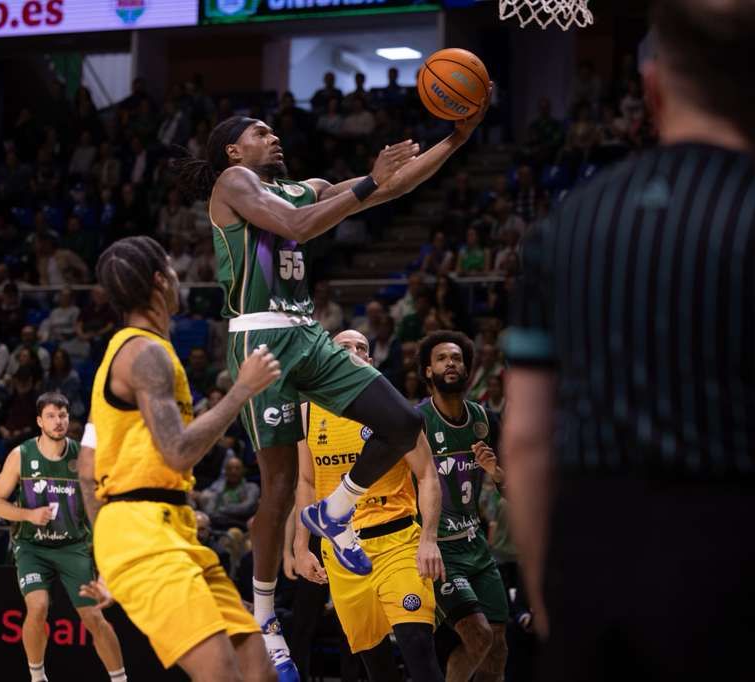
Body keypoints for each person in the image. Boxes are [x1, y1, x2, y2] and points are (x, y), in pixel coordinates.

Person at [175, 92, 490, 674]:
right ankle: (265, 616)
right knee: (278, 484)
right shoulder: (233, 184)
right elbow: (299, 224)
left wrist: (456, 140)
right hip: (261, 337)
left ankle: (335, 509)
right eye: (261, 131)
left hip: (309, 334)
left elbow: (392, 185)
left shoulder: (303, 186)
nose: (274, 138)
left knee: (400, 422)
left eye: (274, 132)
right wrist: (367, 183)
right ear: (232, 149)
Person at [502, 2, 755, 680]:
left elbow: (527, 439)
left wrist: (548, 600)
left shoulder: (567, 226)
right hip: (746, 563)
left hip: (596, 566)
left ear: (650, 89)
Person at [83, 236, 281, 681]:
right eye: (172, 271)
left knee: (257, 669)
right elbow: (177, 453)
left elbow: (84, 469)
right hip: (142, 533)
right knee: (221, 674)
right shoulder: (145, 354)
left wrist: (105, 556)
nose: (177, 279)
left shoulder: (124, 353)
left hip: (169, 528)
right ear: (160, 281)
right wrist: (241, 390)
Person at [292, 330, 446, 682]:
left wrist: (429, 539)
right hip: (343, 554)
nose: (355, 351)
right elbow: (306, 482)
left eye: (363, 347)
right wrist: (301, 547)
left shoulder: (391, 410)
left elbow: (427, 476)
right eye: (345, 346)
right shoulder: (306, 414)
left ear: (371, 362)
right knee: (375, 667)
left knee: (418, 650)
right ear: (330, 358)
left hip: (398, 544)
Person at [0, 392, 126, 682]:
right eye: (51, 416)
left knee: (94, 619)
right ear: (39, 421)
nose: (58, 421)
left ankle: (120, 679)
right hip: (32, 547)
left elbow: (105, 502)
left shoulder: (85, 456)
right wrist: (28, 515)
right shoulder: (21, 455)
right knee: (37, 607)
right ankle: (37, 678)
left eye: (63, 415)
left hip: (74, 547)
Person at [417, 331, 508, 682]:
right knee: (479, 635)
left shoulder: (485, 421)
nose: (450, 363)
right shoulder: (417, 422)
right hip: (439, 552)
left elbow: (511, 489)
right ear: (428, 371)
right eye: (441, 358)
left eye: (456, 358)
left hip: (477, 547)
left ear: (467, 368)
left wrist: (496, 473)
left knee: (497, 647)